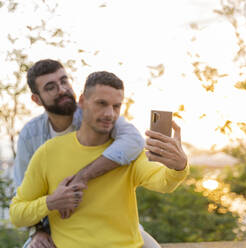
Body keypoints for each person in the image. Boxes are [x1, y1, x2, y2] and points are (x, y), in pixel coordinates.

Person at [10, 71, 189, 247]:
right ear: (82, 102)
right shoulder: (48, 152)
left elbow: (163, 183)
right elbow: (17, 214)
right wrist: (51, 202)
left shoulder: (128, 154)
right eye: (101, 104)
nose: (109, 114)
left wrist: (179, 167)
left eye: (116, 106)